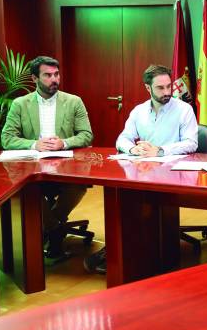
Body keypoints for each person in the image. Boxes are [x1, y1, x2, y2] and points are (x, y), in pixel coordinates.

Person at [84, 64, 198, 273]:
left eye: (168, 86)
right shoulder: (138, 111)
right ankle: (119, 252)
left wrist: (160, 150)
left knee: (141, 205)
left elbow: (192, 143)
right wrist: (133, 148)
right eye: (160, 88)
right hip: (145, 170)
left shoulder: (184, 110)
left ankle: (135, 253)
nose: (166, 92)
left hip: (174, 173)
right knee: (124, 201)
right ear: (148, 88)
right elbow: (122, 139)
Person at [1, 55, 93, 257]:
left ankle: (51, 227)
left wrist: (64, 142)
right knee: (29, 188)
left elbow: (86, 135)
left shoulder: (73, 101)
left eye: (57, 74)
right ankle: (55, 230)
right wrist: (35, 144)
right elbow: (7, 138)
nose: (54, 80)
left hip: (66, 165)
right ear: (34, 78)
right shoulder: (20, 104)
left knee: (78, 186)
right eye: (48, 75)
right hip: (32, 166)